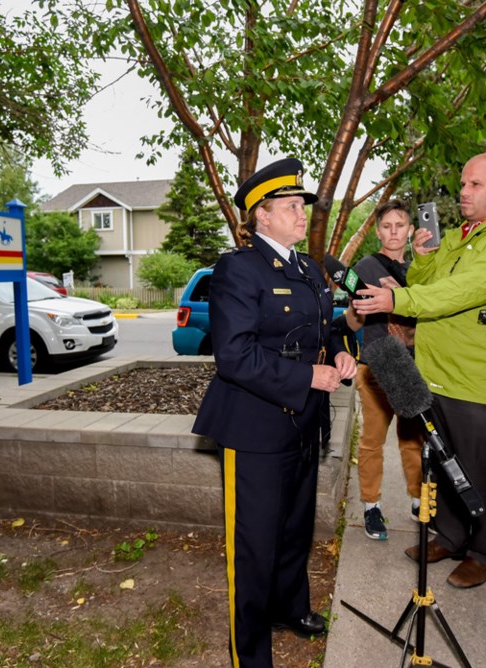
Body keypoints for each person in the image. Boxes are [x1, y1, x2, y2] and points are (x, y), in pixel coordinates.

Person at [192, 157, 357, 668]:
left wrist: (341, 348)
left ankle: (291, 608)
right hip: (256, 426)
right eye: (289, 206)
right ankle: (250, 653)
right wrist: (308, 376)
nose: (300, 213)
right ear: (261, 215)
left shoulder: (306, 267)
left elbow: (321, 330)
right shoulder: (237, 268)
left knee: (293, 528)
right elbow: (235, 355)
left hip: (305, 421)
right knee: (255, 544)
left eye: (300, 205)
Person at [354, 152, 486, 588]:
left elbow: (463, 291)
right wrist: (422, 257)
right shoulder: (458, 234)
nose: (464, 192)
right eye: (463, 183)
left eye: (475, 184)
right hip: (437, 373)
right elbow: (430, 282)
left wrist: (396, 301)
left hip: (479, 376)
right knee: (444, 463)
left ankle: (483, 553)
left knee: (480, 471)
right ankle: (451, 535)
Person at [349, 199, 424, 541]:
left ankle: (417, 500)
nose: (393, 231)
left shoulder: (423, 267)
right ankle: (371, 506)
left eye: (400, 225)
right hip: (378, 365)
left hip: (413, 365)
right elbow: (362, 313)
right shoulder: (367, 265)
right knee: (372, 441)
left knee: (413, 441)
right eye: (387, 225)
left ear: (410, 230)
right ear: (378, 230)